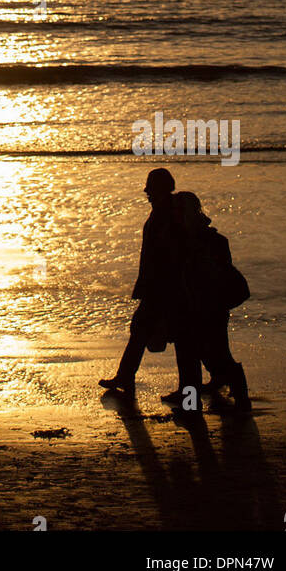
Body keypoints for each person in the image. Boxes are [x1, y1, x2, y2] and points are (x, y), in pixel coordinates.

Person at [161, 191, 251, 413]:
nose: (174, 214)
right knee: (191, 357)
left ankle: (241, 398)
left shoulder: (208, 241)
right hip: (192, 307)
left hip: (209, 307)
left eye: (178, 210)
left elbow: (216, 275)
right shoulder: (183, 239)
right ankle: (192, 403)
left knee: (215, 356)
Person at [99, 167, 177, 394]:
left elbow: (166, 255)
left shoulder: (168, 213)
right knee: (145, 330)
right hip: (158, 285)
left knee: (176, 336)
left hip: (163, 286)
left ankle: (125, 377)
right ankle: (125, 377)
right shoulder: (163, 211)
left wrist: (155, 285)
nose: (146, 191)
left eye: (150, 187)